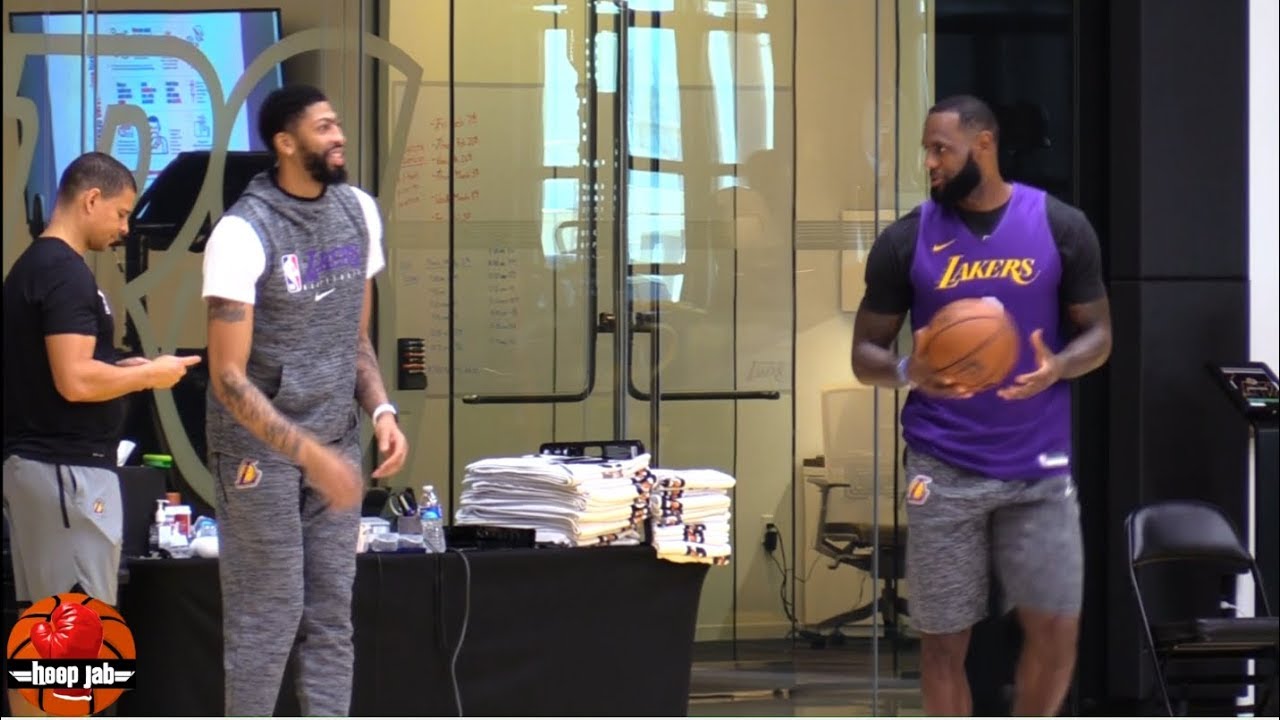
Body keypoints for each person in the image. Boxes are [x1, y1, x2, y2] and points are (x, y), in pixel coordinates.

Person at [851, 95, 1112, 716]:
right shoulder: (907, 239)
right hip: (942, 468)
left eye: (941, 149)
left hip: (1039, 469)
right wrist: (911, 370)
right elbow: (865, 352)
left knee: (1056, 631)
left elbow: (1100, 336)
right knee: (943, 645)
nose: (931, 163)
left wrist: (1060, 366)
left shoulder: (1060, 226)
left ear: (984, 144)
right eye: (927, 150)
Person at [201, 84, 408, 716]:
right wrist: (312, 457)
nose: (338, 135)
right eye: (323, 128)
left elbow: (355, 335)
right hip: (258, 449)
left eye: (337, 122)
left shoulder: (359, 213)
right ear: (286, 144)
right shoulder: (242, 232)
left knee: (330, 618)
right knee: (268, 618)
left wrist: (380, 411)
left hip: (336, 435)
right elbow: (229, 378)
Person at [3, 151, 201, 713]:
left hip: (47, 473)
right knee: (77, 640)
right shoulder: (62, 272)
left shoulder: (35, 269)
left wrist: (132, 368)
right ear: (91, 199)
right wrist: (150, 378)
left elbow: (71, 370)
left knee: (46, 637)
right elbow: (73, 380)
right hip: (65, 475)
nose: (124, 228)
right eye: (120, 213)